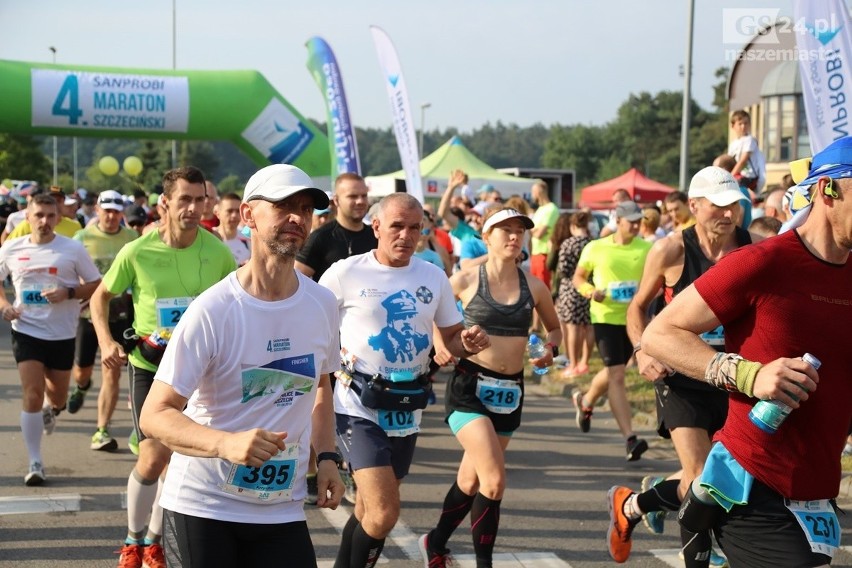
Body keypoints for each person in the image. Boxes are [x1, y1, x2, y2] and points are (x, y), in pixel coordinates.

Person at [641, 136, 852, 567]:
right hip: (752, 485)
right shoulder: (763, 261)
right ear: (828, 191)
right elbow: (660, 333)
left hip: (818, 490)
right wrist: (748, 375)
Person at [139, 164, 344, 567]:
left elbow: (321, 388)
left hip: (280, 507)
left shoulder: (321, 303)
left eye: (304, 208)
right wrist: (225, 444)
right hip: (204, 505)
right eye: (283, 206)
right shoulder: (214, 310)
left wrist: (327, 459)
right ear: (248, 216)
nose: (296, 218)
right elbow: (154, 414)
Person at [318, 193, 491, 568]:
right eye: (397, 225)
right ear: (376, 226)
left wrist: (469, 343)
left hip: (406, 404)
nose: (406, 235)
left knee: (367, 509)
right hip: (356, 402)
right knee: (383, 513)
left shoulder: (432, 275)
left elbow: (452, 339)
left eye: (415, 228)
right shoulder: (345, 273)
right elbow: (312, 330)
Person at [90, 166, 236, 568]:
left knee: (178, 458)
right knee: (153, 457)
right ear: (164, 204)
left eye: (199, 199)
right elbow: (100, 298)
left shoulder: (218, 250)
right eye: (184, 199)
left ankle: (153, 541)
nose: (193, 208)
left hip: (200, 371)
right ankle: (132, 540)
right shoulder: (137, 250)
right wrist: (105, 341)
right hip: (150, 367)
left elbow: (233, 306)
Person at [609, 166, 755, 566]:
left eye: (734, 206)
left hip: (731, 375)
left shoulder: (754, 247)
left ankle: (634, 504)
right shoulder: (671, 250)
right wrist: (642, 350)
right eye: (718, 206)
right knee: (705, 474)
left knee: (724, 473)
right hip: (680, 374)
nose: (727, 214)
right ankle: (708, 555)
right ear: (694, 206)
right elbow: (638, 307)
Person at [419, 207, 560, 568]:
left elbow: (554, 330)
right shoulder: (465, 280)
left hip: (511, 390)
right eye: (505, 230)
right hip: (470, 387)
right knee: (494, 481)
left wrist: (548, 350)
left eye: (520, 231)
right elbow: (433, 315)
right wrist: (441, 346)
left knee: (470, 479)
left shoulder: (535, 285)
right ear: (487, 237)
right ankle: (485, 563)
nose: (514, 237)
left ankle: (434, 544)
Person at [0, 193, 102, 485]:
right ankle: (35, 461)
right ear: (27, 217)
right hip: (26, 330)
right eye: (39, 215)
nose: (44, 221)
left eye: (50, 216)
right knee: (31, 392)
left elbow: (95, 284)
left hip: (62, 333)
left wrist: (68, 293)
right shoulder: (11, 248)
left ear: (58, 218)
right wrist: (5, 306)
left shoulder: (72, 249)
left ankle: (51, 410)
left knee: (56, 396)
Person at [571, 200, 652, 460]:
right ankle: (630, 438)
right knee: (617, 375)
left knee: (613, 371)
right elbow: (579, 277)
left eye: (640, 221)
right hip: (604, 317)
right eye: (632, 222)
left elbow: (658, 280)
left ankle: (586, 401)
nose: (637, 226)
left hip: (633, 318)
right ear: (617, 220)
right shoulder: (596, 248)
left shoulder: (648, 248)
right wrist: (590, 292)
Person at [66, 190, 139, 452]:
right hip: (88, 316)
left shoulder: (131, 239)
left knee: (113, 372)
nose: (111, 216)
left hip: (119, 316)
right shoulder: (81, 238)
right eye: (106, 210)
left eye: (116, 211)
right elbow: (69, 272)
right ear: (97, 210)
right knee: (81, 369)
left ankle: (102, 429)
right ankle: (82, 386)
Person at [296, 172, 375, 281]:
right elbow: (295, 281)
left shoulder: (377, 235)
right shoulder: (321, 237)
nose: (360, 201)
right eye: (353, 196)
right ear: (337, 200)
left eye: (364, 195)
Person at [555, 211, 593, 379]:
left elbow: (562, 269)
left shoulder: (568, 244)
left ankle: (573, 364)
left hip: (570, 288)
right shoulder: (594, 243)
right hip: (590, 288)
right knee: (589, 326)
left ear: (572, 226)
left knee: (572, 328)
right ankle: (585, 362)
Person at [8, 187, 83, 239]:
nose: (55, 203)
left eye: (59, 200)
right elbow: (8, 246)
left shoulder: (75, 226)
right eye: (51, 200)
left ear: (64, 203)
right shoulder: (28, 224)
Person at [528, 179, 559, 290]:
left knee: (542, 288)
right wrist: (534, 230)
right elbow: (534, 231)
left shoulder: (551, 209)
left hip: (544, 253)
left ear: (539, 192)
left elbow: (539, 233)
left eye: (533, 192)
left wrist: (533, 230)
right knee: (534, 288)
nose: (532, 195)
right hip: (536, 253)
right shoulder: (540, 210)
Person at [728, 109, 766, 195]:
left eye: (746, 123)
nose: (743, 126)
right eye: (740, 124)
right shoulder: (733, 144)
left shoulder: (750, 140)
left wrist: (730, 176)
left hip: (749, 176)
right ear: (733, 126)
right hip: (738, 175)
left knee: (739, 185)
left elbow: (743, 160)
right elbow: (730, 161)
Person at [213, 192, 251, 266]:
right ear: (218, 213)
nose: (234, 215)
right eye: (229, 211)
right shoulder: (209, 237)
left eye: (237, 211)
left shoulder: (248, 239)